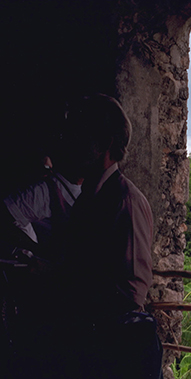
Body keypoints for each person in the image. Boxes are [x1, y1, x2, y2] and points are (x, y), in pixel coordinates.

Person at [28, 93, 160, 379]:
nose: (72, 141)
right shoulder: (90, 199)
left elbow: (131, 292)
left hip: (109, 354)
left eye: (83, 134)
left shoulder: (126, 202)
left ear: (106, 144)